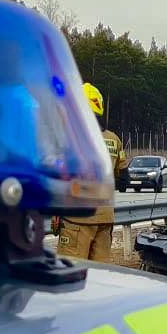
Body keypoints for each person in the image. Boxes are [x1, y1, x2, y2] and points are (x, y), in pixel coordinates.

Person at [59, 82, 126, 262]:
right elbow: (123, 178)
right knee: (100, 278)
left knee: (71, 275)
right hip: (105, 218)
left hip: (77, 220)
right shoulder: (113, 139)